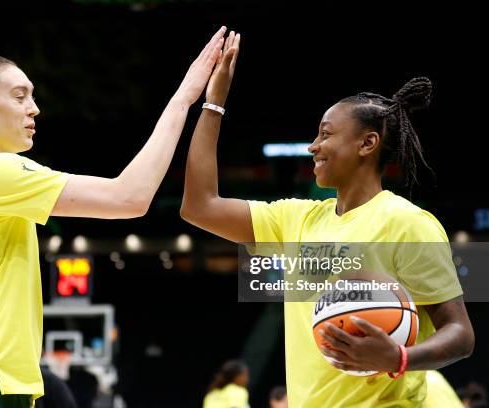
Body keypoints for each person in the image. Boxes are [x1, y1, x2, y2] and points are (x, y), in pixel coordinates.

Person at [0, 26, 227, 407]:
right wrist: (184, 98)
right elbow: (130, 198)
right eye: (20, 96)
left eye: (32, 96)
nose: (34, 108)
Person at [180, 31, 475, 407]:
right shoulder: (295, 218)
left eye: (326, 134)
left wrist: (398, 358)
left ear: (367, 144)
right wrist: (214, 104)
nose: (313, 146)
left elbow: (460, 334)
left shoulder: (408, 222)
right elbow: (199, 206)